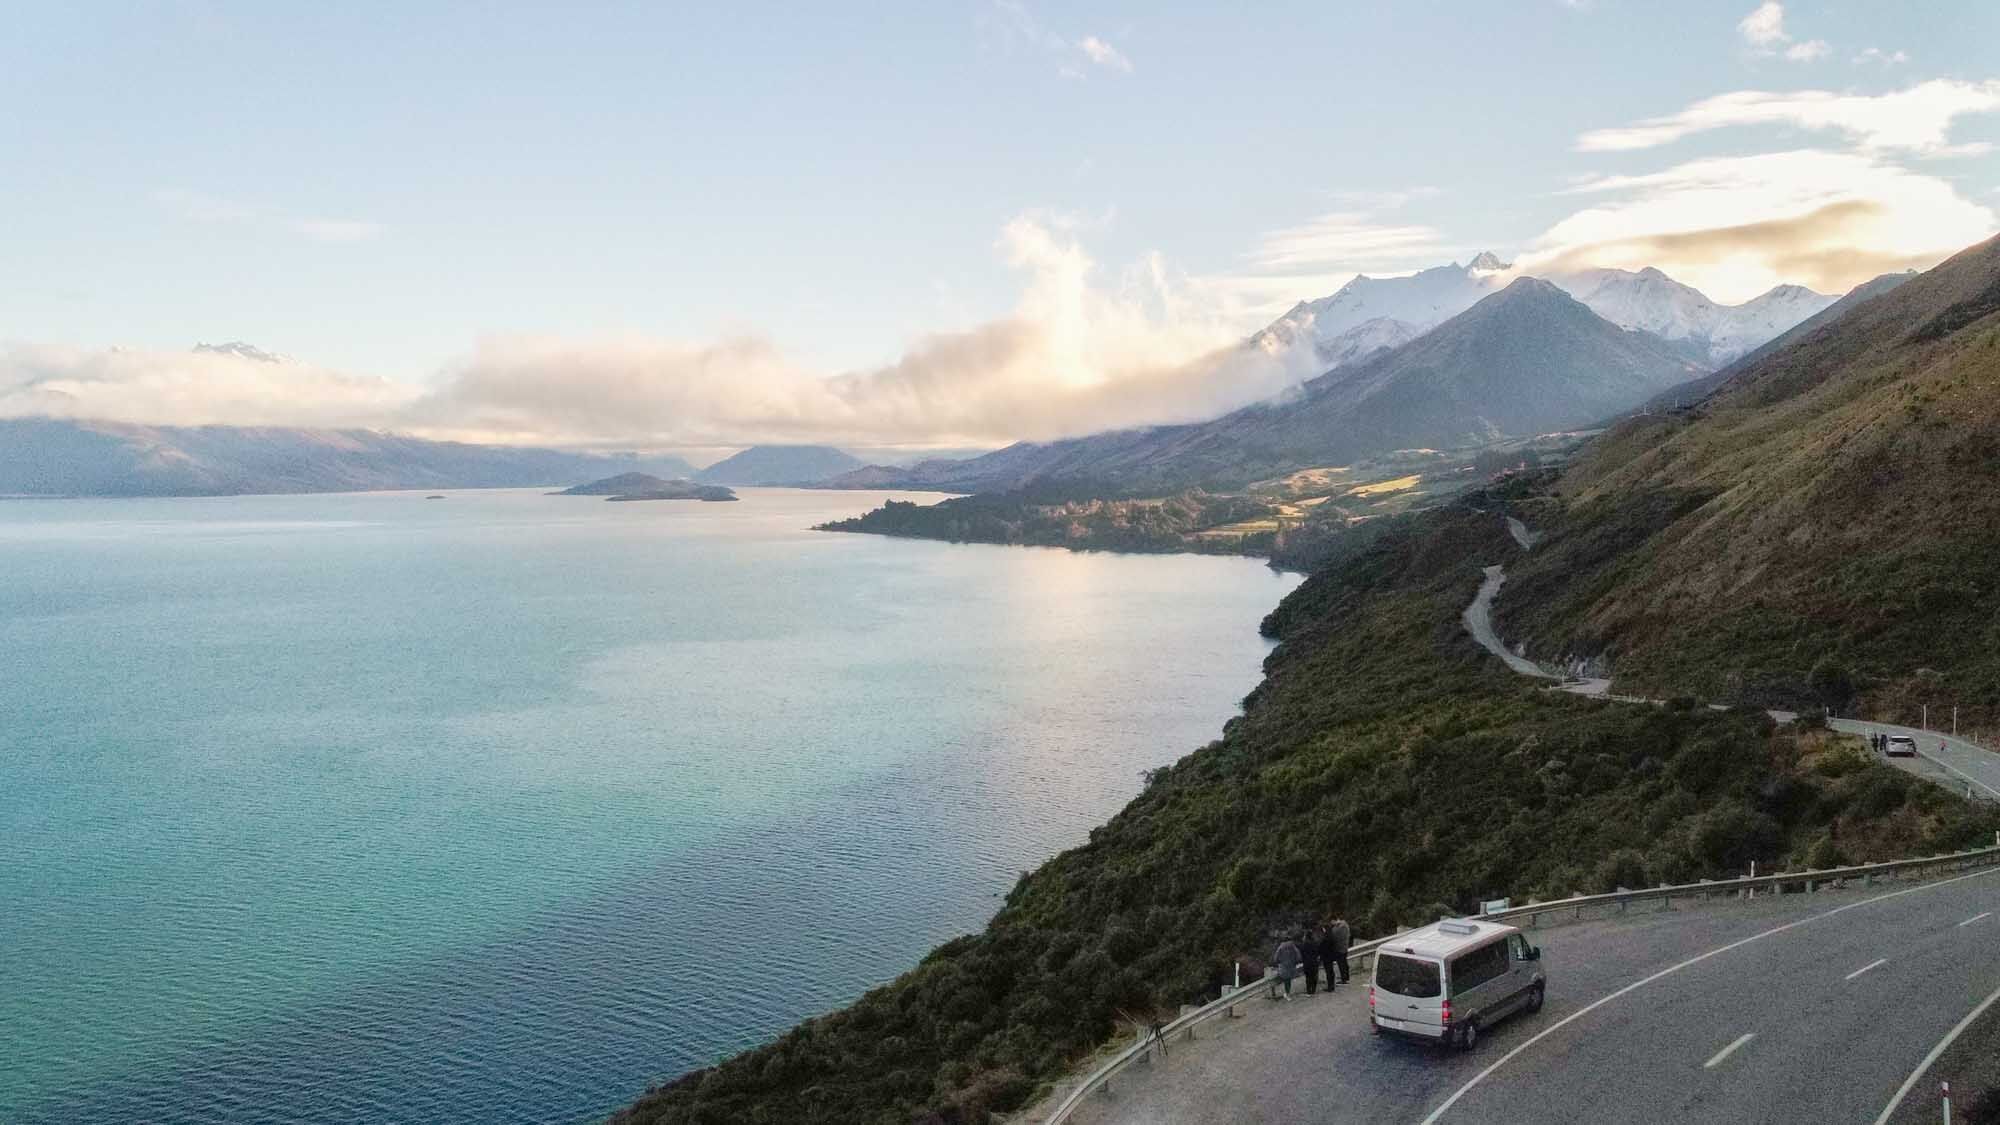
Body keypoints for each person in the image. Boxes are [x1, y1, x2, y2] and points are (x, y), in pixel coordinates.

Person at [1270, 934, 1302, 1000]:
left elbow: (1275, 958)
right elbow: (1298, 956)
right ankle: (1287, 993)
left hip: (1283, 967)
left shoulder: (1280, 947)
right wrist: (1295, 961)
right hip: (1291, 966)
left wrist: (1279, 962)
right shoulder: (1293, 946)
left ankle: (1287, 994)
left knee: (1286, 980)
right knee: (1288, 980)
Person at [1316, 923, 1343, 989]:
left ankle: (1330, 986)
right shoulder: (1332, 936)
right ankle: (1332, 985)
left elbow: (1322, 948)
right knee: (1331, 971)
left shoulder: (1325, 938)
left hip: (1326, 957)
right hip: (1331, 956)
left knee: (1328, 971)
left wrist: (1319, 954)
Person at [1327, 917, 1352, 984]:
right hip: (1345, 948)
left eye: (1331, 922)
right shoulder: (1345, 925)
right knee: (1345, 963)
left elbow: (1333, 936)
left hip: (1339, 949)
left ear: (1334, 920)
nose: (1331, 923)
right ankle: (1346, 977)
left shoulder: (1337, 929)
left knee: (1341, 965)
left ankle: (1343, 979)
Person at [1300, 926, 1324, 996]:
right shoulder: (1315, 943)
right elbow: (1318, 952)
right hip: (1314, 962)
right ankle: (1313, 990)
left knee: (1308, 977)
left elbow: (1302, 953)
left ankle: (1308, 990)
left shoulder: (1304, 944)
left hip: (1307, 963)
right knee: (1314, 976)